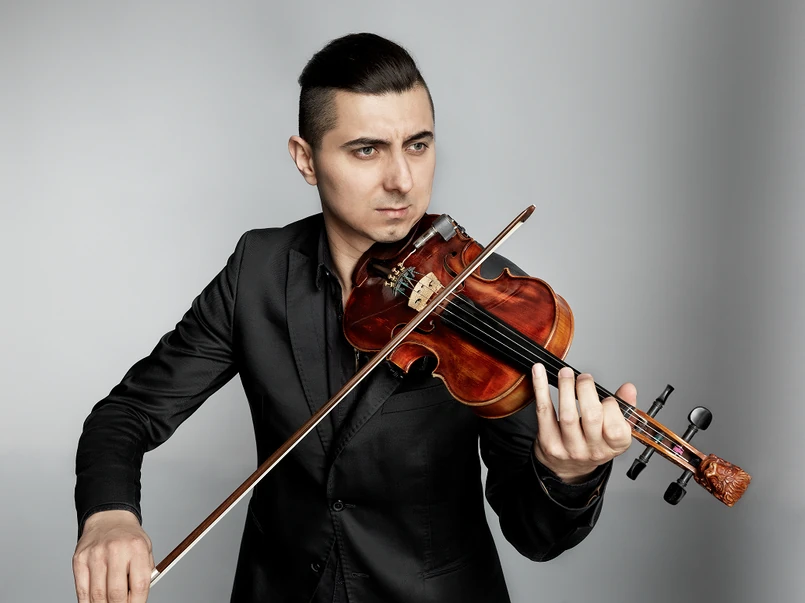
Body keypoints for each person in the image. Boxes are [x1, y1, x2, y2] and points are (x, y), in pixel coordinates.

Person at [72, 32, 635, 603]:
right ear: (305, 159)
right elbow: (128, 413)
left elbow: (535, 534)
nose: (402, 180)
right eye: (367, 150)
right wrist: (108, 515)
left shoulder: (492, 296)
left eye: (418, 145)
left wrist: (568, 473)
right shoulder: (257, 270)